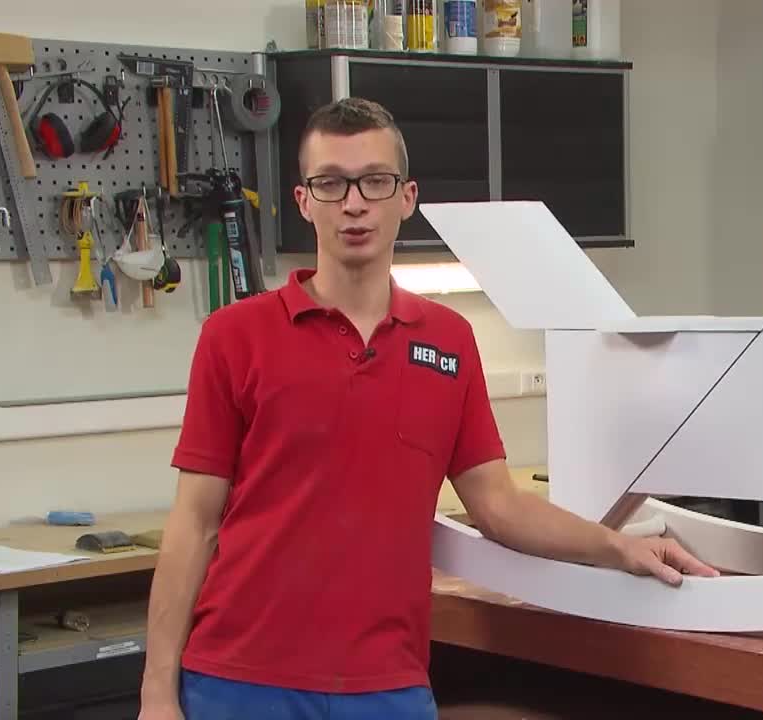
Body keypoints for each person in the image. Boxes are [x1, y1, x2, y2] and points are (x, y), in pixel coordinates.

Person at [138, 97, 718, 720]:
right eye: (331, 183)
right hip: (239, 681)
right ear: (304, 201)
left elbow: (499, 506)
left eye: (375, 181)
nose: (354, 203)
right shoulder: (235, 336)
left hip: (388, 685)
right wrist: (156, 693)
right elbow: (194, 523)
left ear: (406, 197)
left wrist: (620, 548)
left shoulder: (448, 341)